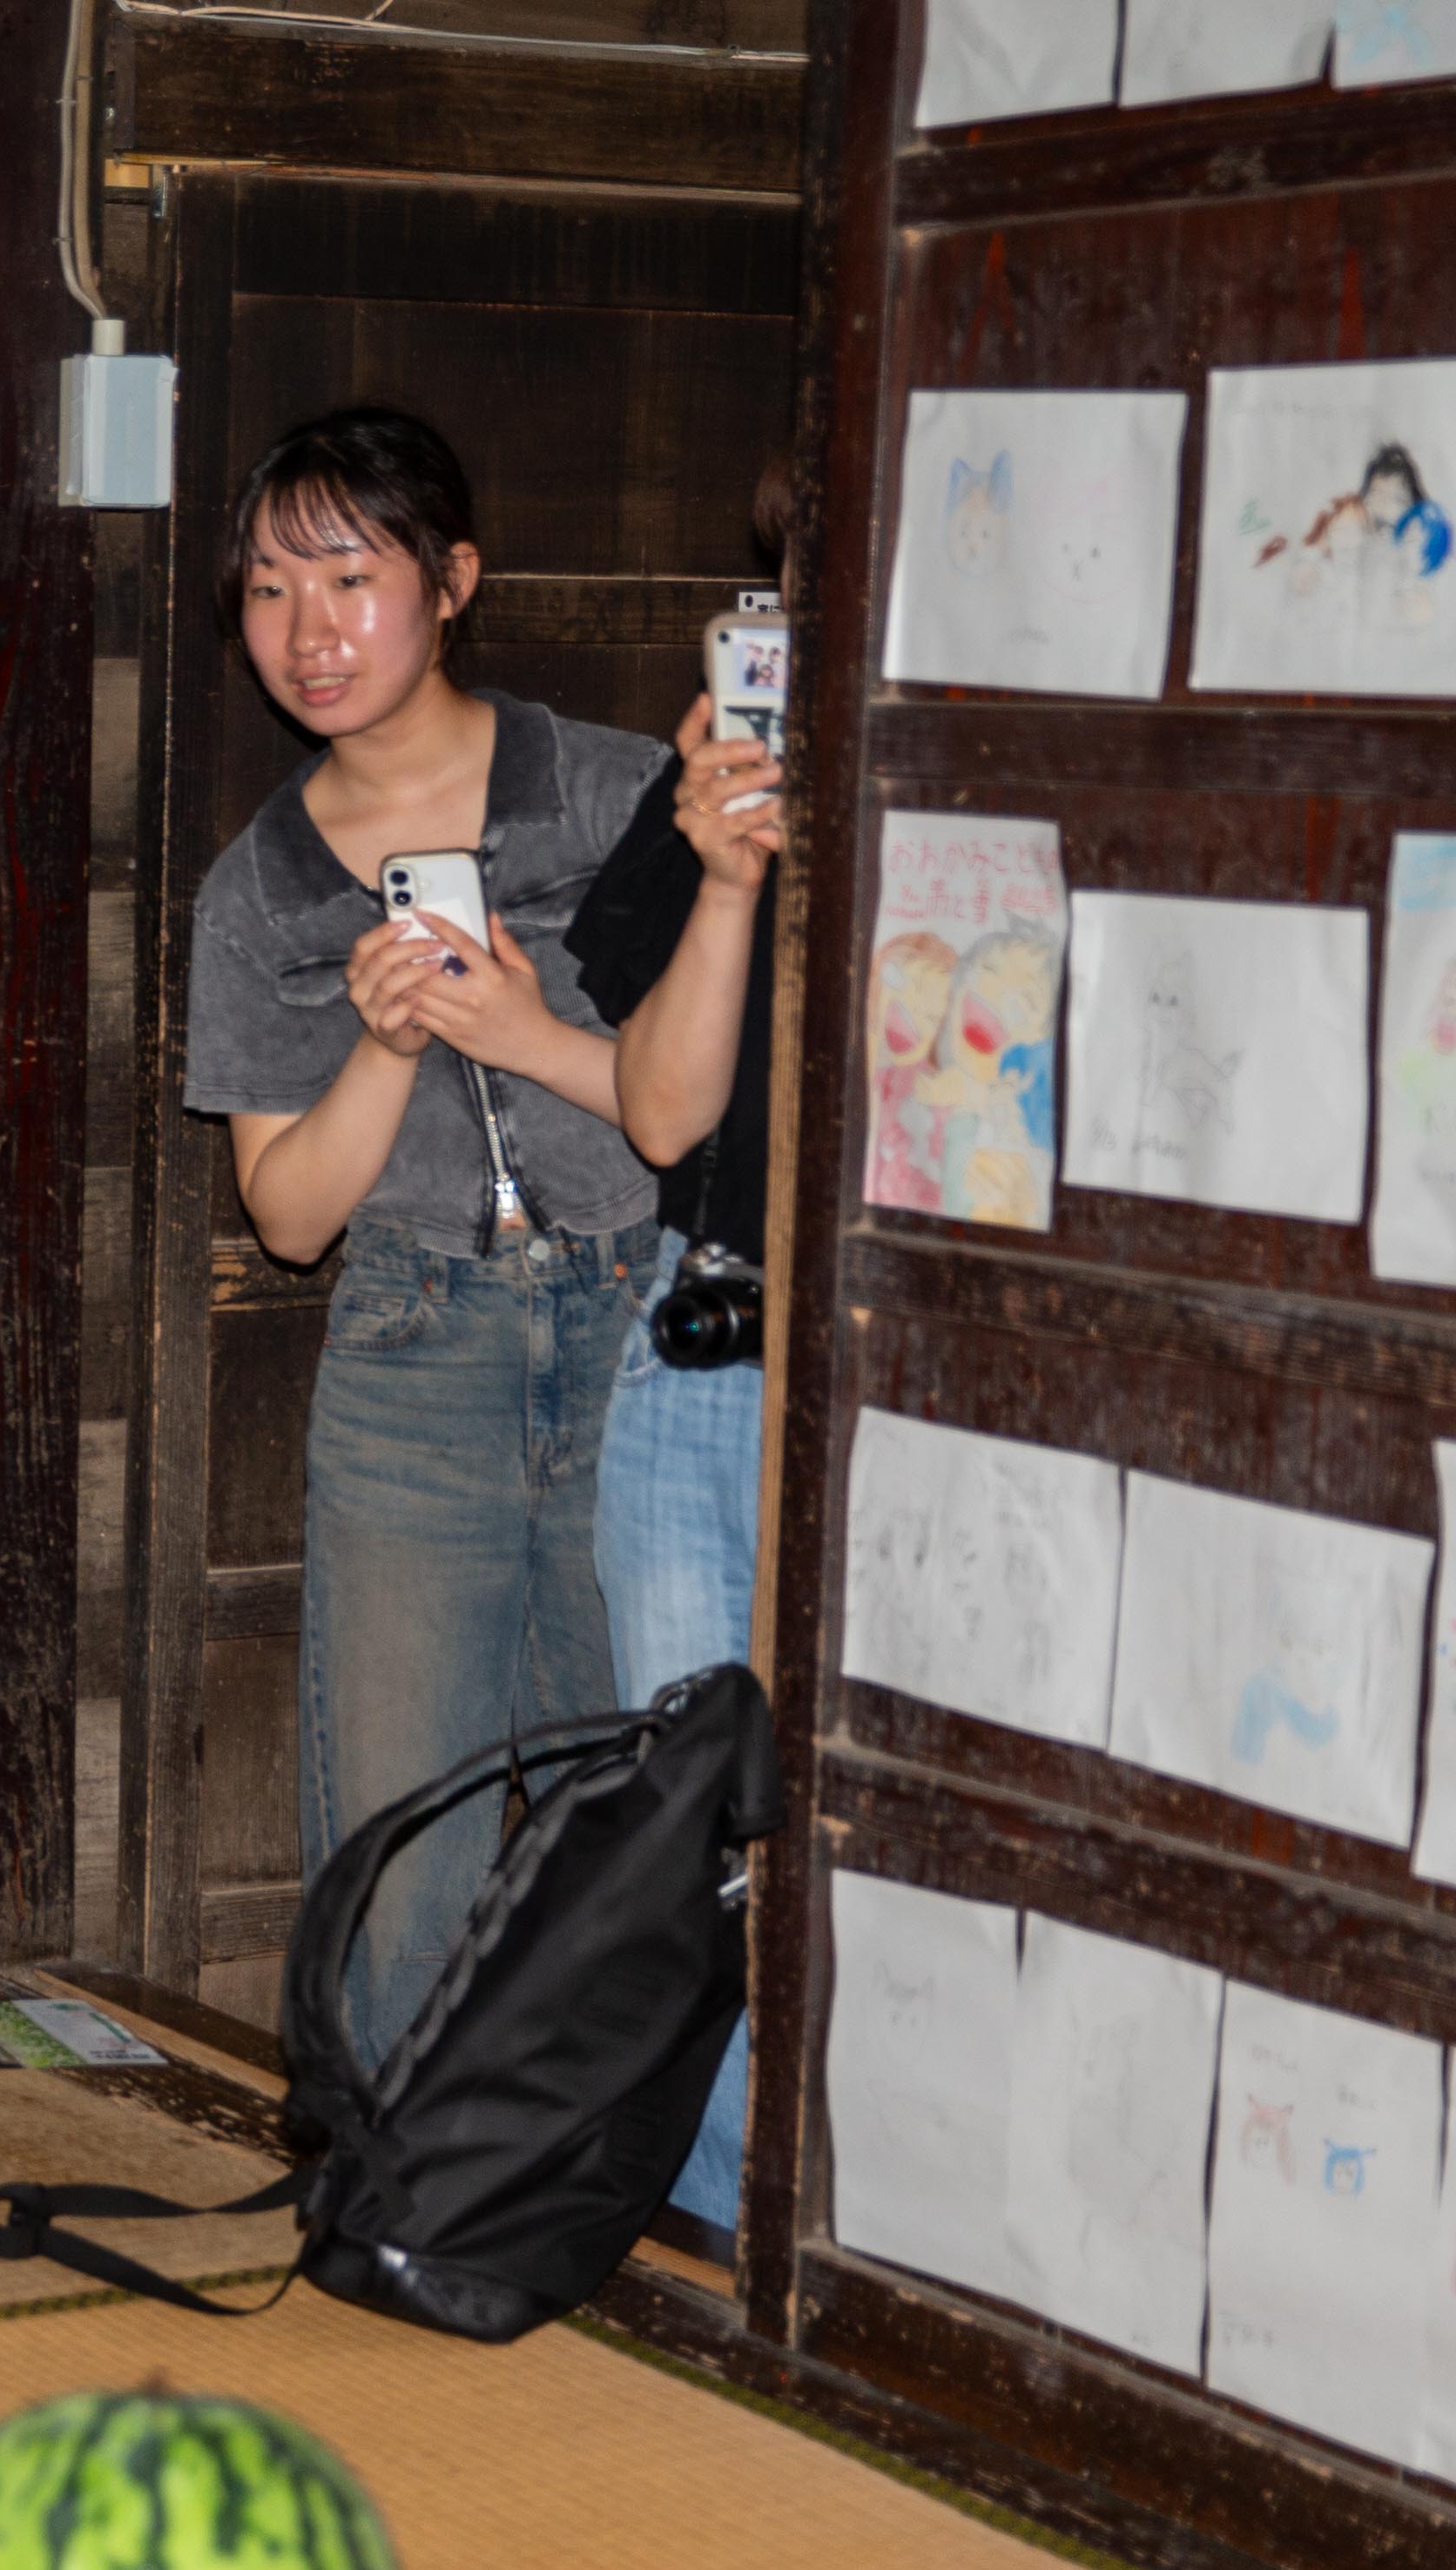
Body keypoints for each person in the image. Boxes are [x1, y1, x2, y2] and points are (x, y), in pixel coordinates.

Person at [182, 404, 745, 2073]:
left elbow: (684, 1119)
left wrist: (518, 1028)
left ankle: (625, 2173)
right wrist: (385, 1045)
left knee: (633, 1802)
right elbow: (289, 1217)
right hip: (413, 1351)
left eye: (350, 578)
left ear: (453, 582)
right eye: (271, 590)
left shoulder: (622, 794)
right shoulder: (260, 891)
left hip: (638, 1334)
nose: (310, 631)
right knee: (400, 1833)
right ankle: (392, 2168)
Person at [571, 454, 797, 2242]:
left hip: (894, 1354)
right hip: (710, 1325)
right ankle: (721, 2216)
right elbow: (659, 1115)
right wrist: (722, 876)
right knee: (691, 1807)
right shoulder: (721, 769)